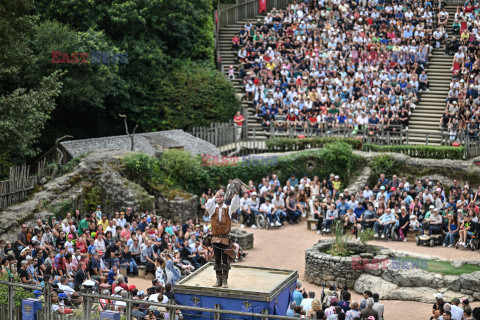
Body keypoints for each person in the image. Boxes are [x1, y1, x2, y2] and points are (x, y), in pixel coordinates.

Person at [205, 187, 240, 288]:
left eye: (221, 196)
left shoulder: (228, 209)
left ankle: (225, 281)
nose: (219, 198)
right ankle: (218, 280)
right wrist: (214, 196)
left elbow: (235, 205)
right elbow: (208, 205)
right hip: (215, 237)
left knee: (225, 260)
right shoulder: (212, 209)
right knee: (216, 259)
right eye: (218, 197)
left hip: (225, 238)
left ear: (224, 198)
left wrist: (236, 195)